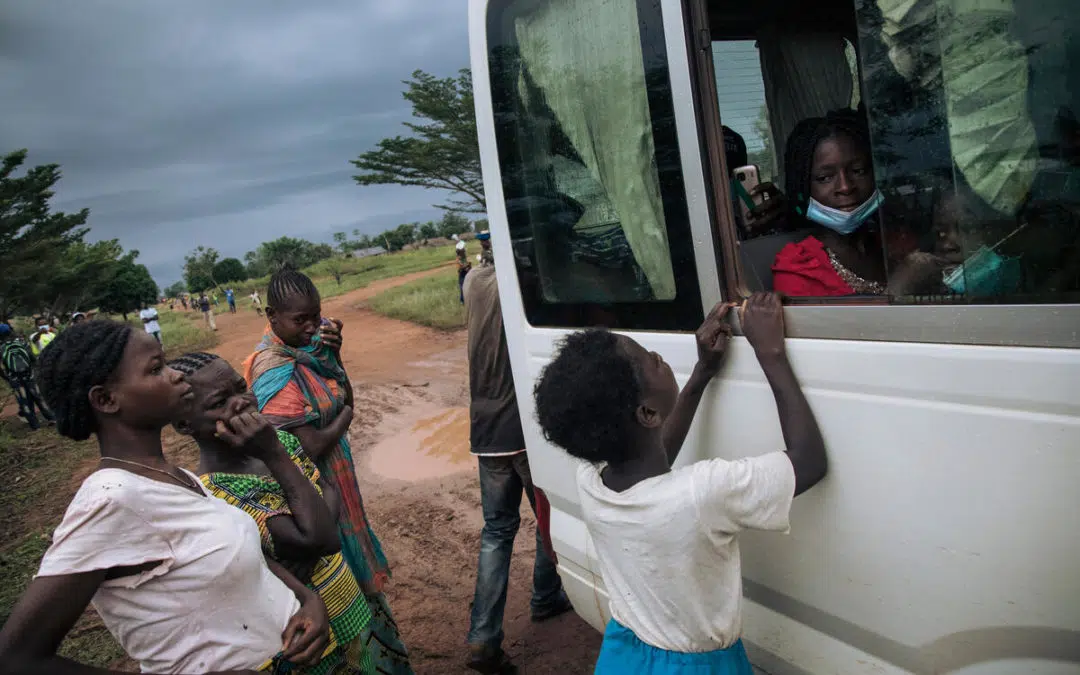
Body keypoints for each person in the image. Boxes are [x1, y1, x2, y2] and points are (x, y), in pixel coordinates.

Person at [0, 320, 331, 674]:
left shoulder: (174, 476)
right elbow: (16, 657)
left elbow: (241, 554)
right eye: (156, 369)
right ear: (106, 399)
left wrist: (307, 598)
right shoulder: (111, 500)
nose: (176, 376)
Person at [533, 293, 828, 674]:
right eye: (651, 361)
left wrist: (702, 373)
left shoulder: (592, 482)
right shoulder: (702, 493)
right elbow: (808, 461)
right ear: (647, 413)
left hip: (627, 655)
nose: (660, 357)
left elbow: (656, 458)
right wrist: (770, 353)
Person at [244, 266, 413, 674]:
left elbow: (342, 390)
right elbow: (312, 444)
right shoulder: (273, 369)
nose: (310, 326)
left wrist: (334, 359)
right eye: (299, 319)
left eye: (315, 315)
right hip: (311, 495)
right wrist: (346, 416)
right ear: (272, 317)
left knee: (356, 581)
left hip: (337, 481)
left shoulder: (315, 353)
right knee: (334, 579)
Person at [171, 351, 377, 675]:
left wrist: (314, 525)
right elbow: (320, 535)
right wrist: (274, 456)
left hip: (345, 600)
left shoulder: (279, 438)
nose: (240, 402)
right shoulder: (216, 494)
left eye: (241, 388)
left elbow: (328, 492)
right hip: (306, 638)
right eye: (219, 402)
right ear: (185, 424)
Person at [463, 233, 571, 674]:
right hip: (522, 429)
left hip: (485, 428)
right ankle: (545, 595)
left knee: (496, 531)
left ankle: (483, 636)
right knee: (552, 516)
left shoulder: (472, 281)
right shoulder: (524, 283)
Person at [770, 109, 930, 297]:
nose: (846, 187)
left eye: (858, 171)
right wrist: (902, 284)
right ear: (803, 187)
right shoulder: (798, 269)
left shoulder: (896, 242)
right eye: (824, 178)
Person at [0, 323, 54, 430]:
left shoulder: (1, 348)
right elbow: (33, 358)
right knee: (39, 397)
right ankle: (52, 418)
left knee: (24, 401)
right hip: (29, 375)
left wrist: (7, 378)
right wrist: (34, 371)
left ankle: (35, 425)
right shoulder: (22, 343)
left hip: (15, 379)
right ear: (10, 331)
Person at [457, 240, 472, 305]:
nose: (464, 250)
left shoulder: (464, 257)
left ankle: (467, 300)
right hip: (462, 275)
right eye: (463, 249)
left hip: (467, 273)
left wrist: (469, 266)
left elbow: (468, 266)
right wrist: (467, 265)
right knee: (463, 287)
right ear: (460, 251)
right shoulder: (459, 259)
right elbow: (461, 268)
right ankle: (462, 301)